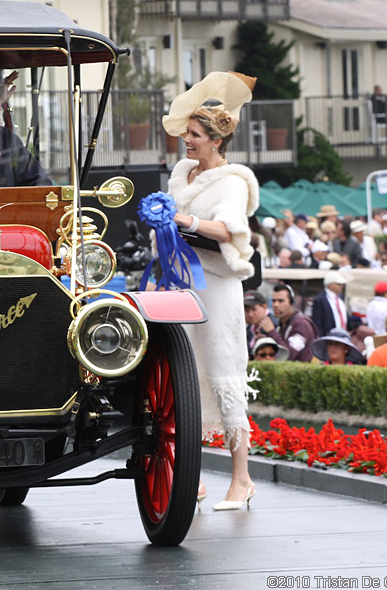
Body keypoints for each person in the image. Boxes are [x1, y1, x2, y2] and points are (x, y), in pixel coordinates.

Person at [163, 70, 258, 511]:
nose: (188, 141)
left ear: (216, 141)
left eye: (195, 135)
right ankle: (192, 476)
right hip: (181, 285)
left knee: (224, 374)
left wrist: (187, 222)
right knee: (186, 377)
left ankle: (242, 478)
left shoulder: (232, 182)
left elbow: (231, 230)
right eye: (187, 134)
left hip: (217, 288)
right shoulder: (182, 176)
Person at [264, 282, 317, 362]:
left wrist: (271, 332)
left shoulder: (301, 324)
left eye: (280, 301)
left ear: (292, 303)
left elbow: (289, 355)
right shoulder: (282, 324)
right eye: (273, 301)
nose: (275, 305)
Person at [311, 271, 350, 336]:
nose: (341, 286)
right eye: (339, 284)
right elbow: (317, 323)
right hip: (329, 336)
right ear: (331, 285)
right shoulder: (320, 300)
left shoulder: (340, 298)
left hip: (343, 335)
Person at [244, 290, 278, 356]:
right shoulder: (251, 326)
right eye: (247, 310)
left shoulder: (273, 325)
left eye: (254, 309)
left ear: (264, 307)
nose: (250, 314)